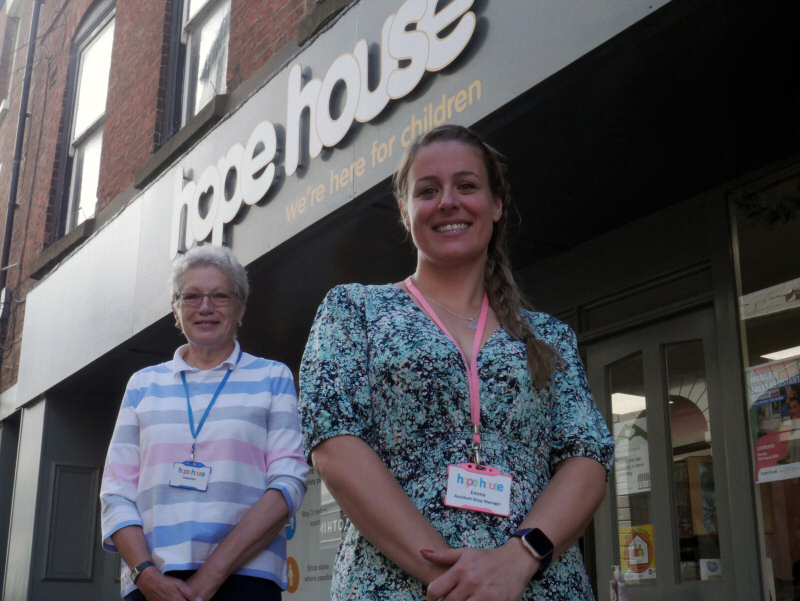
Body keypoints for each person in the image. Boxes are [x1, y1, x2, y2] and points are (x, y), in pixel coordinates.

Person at [299, 125, 614, 600]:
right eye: (428, 190)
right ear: (405, 213)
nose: (448, 201)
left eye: (467, 186)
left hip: (537, 586)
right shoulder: (353, 312)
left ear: (496, 204)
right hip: (396, 587)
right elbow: (335, 446)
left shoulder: (549, 337)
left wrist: (517, 560)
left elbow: (587, 457)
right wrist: (459, 584)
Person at [100, 245, 308, 601]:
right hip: (153, 584)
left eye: (221, 296)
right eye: (191, 296)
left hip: (246, 580)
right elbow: (116, 493)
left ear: (241, 308)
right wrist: (144, 574)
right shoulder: (142, 384)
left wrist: (210, 577)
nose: (205, 307)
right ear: (176, 311)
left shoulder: (272, 377)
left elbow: (288, 482)